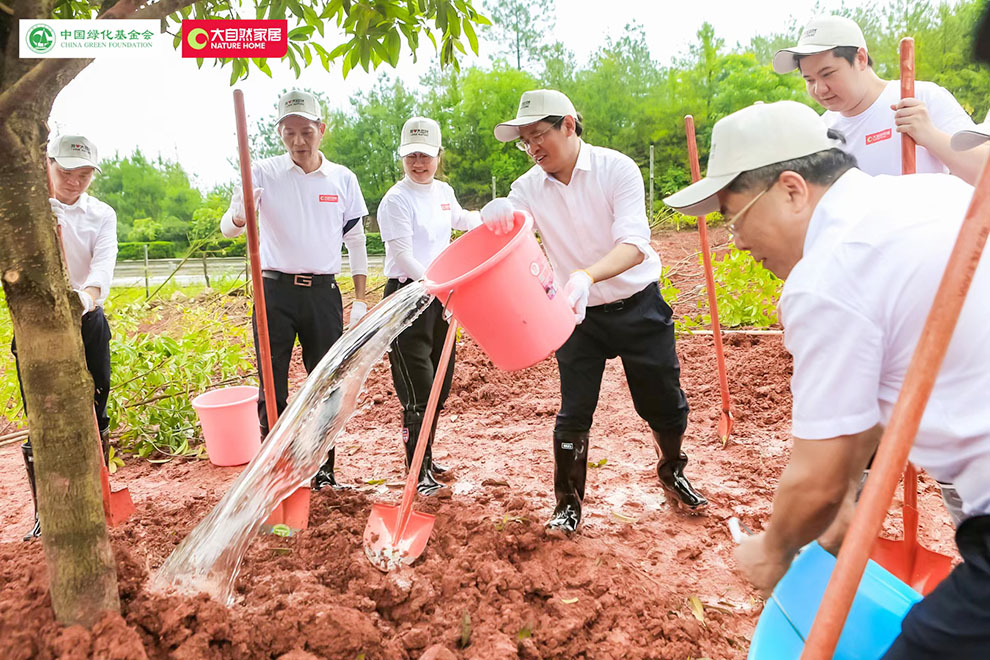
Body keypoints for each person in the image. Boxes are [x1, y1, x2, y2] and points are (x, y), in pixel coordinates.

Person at [664, 100, 990, 659]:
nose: (735, 240)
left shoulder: (827, 275)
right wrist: (842, 503)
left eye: (734, 217)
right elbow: (870, 405)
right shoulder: (926, 195)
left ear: (792, 190)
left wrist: (773, 550)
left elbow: (815, 475)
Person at [479, 89, 707, 533]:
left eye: (538, 135)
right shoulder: (527, 188)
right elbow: (508, 231)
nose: (532, 148)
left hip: (638, 306)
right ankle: (568, 504)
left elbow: (635, 245)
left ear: (568, 124)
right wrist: (494, 213)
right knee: (574, 410)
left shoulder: (615, 169)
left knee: (663, 402)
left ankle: (672, 469)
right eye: (524, 142)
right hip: (577, 316)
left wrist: (586, 276)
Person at [220, 90, 369, 490]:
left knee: (327, 383)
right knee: (272, 386)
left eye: (306, 131)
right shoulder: (261, 171)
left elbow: (356, 241)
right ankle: (274, 473)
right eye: (289, 133)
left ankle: (323, 470)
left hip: (322, 294)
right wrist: (241, 212)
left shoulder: (342, 178)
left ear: (322, 129)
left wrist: (359, 299)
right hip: (275, 293)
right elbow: (229, 228)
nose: (298, 141)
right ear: (279, 133)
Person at [15, 134, 118, 541]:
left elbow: (103, 267)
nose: (74, 182)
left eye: (84, 175)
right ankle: (47, 511)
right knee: (41, 413)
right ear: (48, 166)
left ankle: (94, 499)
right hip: (36, 323)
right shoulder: (27, 209)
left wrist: (84, 299)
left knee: (96, 403)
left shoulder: (101, 214)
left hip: (87, 317)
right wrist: (39, 222)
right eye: (66, 172)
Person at [376, 116, 481, 495]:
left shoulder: (443, 192)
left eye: (425, 156)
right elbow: (404, 256)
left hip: (440, 297)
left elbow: (463, 219)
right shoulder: (396, 200)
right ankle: (416, 470)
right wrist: (440, 288)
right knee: (417, 390)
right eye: (411, 156)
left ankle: (427, 456)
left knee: (440, 384)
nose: (418, 163)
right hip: (408, 299)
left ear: (439, 155)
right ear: (402, 157)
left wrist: (494, 216)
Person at [773, 14, 989, 184]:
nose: (819, 89)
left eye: (828, 74)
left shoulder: (921, 98)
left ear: (860, 58)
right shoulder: (821, 132)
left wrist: (930, 135)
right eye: (809, 80)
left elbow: (984, 174)